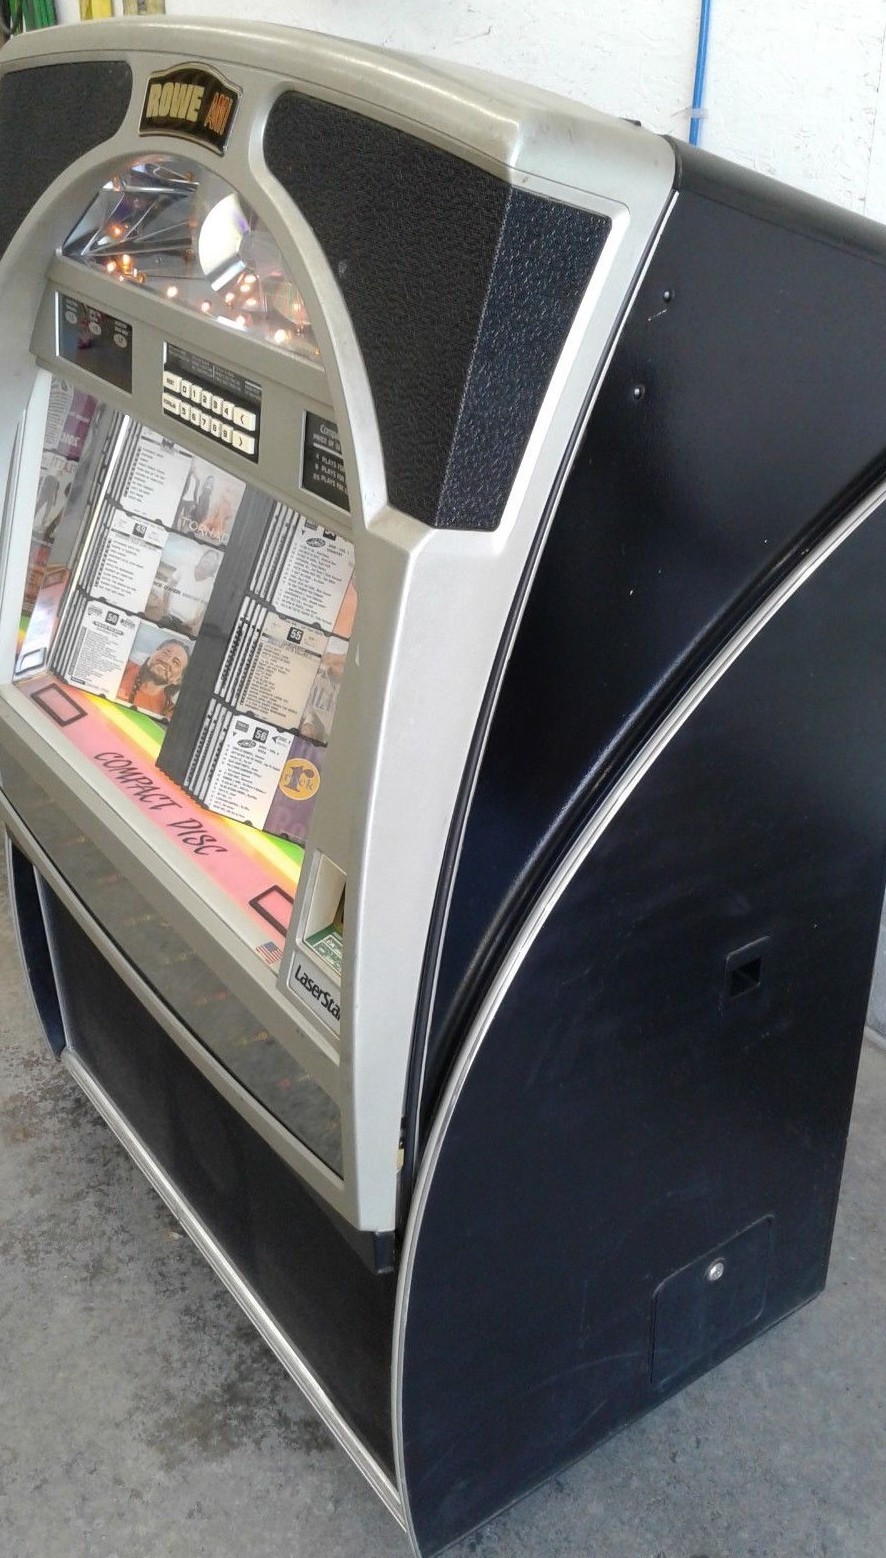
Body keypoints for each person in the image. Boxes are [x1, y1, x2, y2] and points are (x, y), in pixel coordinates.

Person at [116, 637, 190, 719]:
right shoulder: (123, 666)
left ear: (178, 680)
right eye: (165, 653)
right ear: (153, 653)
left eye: (176, 662)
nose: (167, 660)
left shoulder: (168, 712)